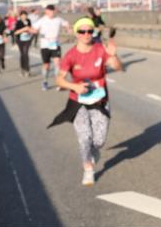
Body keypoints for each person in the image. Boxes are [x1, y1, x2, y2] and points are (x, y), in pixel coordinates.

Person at [51, 17, 123, 186]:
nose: (86, 34)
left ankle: (93, 152)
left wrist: (114, 55)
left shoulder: (100, 50)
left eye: (89, 31)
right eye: (82, 31)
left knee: (98, 140)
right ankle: (88, 169)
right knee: (85, 138)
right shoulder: (71, 55)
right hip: (78, 101)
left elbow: (118, 67)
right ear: (76, 33)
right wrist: (74, 86)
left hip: (100, 100)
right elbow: (59, 80)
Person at [34, 4, 71, 90]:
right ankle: (44, 82)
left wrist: (68, 28)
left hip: (55, 44)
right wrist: (34, 31)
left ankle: (58, 82)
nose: (50, 13)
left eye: (51, 11)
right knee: (46, 65)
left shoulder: (58, 19)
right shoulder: (42, 20)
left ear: (54, 11)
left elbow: (66, 24)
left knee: (57, 64)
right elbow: (34, 28)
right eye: (48, 11)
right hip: (45, 45)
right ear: (46, 11)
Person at [12, 10, 35, 77]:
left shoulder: (28, 21)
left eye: (25, 15)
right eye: (23, 15)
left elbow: (30, 28)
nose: (24, 17)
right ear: (20, 16)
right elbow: (15, 32)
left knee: (26, 53)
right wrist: (24, 29)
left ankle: (27, 70)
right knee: (22, 54)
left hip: (27, 40)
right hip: (20, 40)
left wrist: (30, 30)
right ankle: (22, 69)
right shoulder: (18, 22)